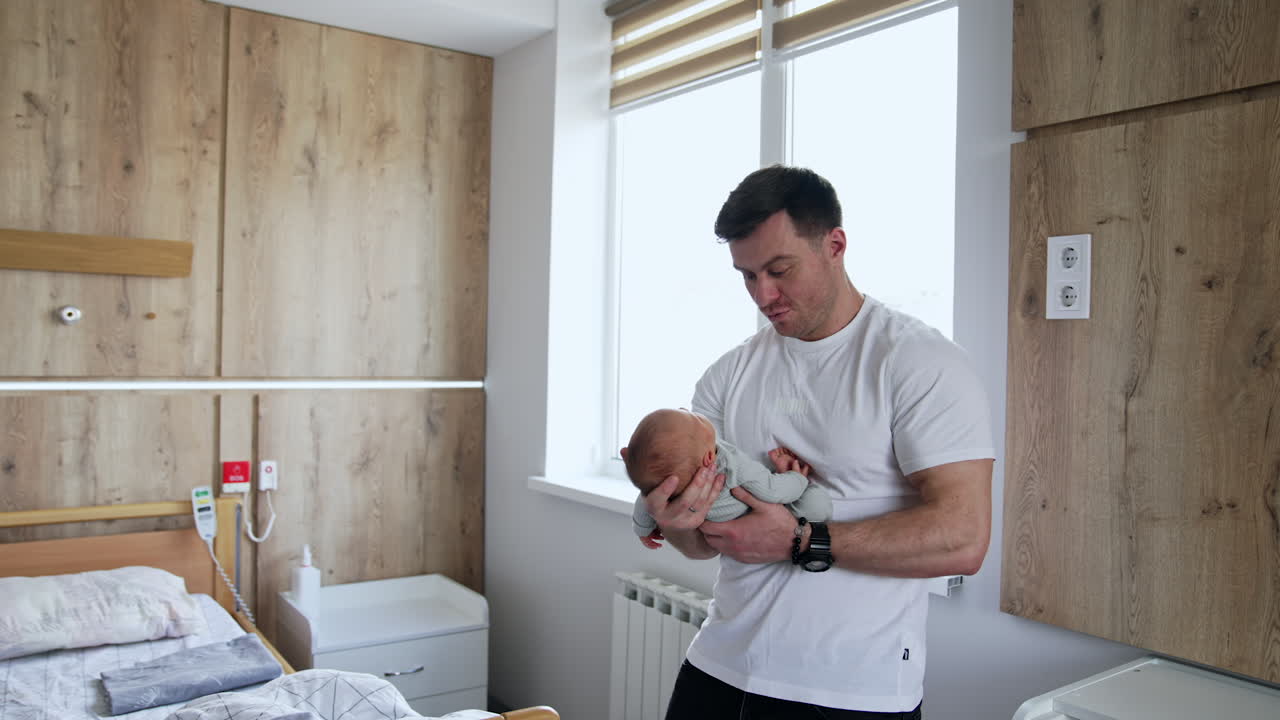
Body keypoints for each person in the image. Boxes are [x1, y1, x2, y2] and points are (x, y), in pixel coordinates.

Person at [643, 165, 995, 719]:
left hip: (849, 692)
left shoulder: (919, 363)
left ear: (835, 245)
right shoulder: (729, 373)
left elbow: (963, 539)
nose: (764, 294)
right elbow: (699, 546)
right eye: (747, 276)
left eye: (779, 270)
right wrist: (678, 522)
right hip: (717, 668)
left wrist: (801, 539)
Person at [622, 408, 832, 548]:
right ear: (709, 458)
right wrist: (796, 477)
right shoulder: (733, 466)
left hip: (721, 537)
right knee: (817, 504)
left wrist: (643, 530)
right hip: (756, 519)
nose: (687, 409)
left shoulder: (665, 489)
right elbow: (772, 491)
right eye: (695, 419)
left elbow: (645, 503)